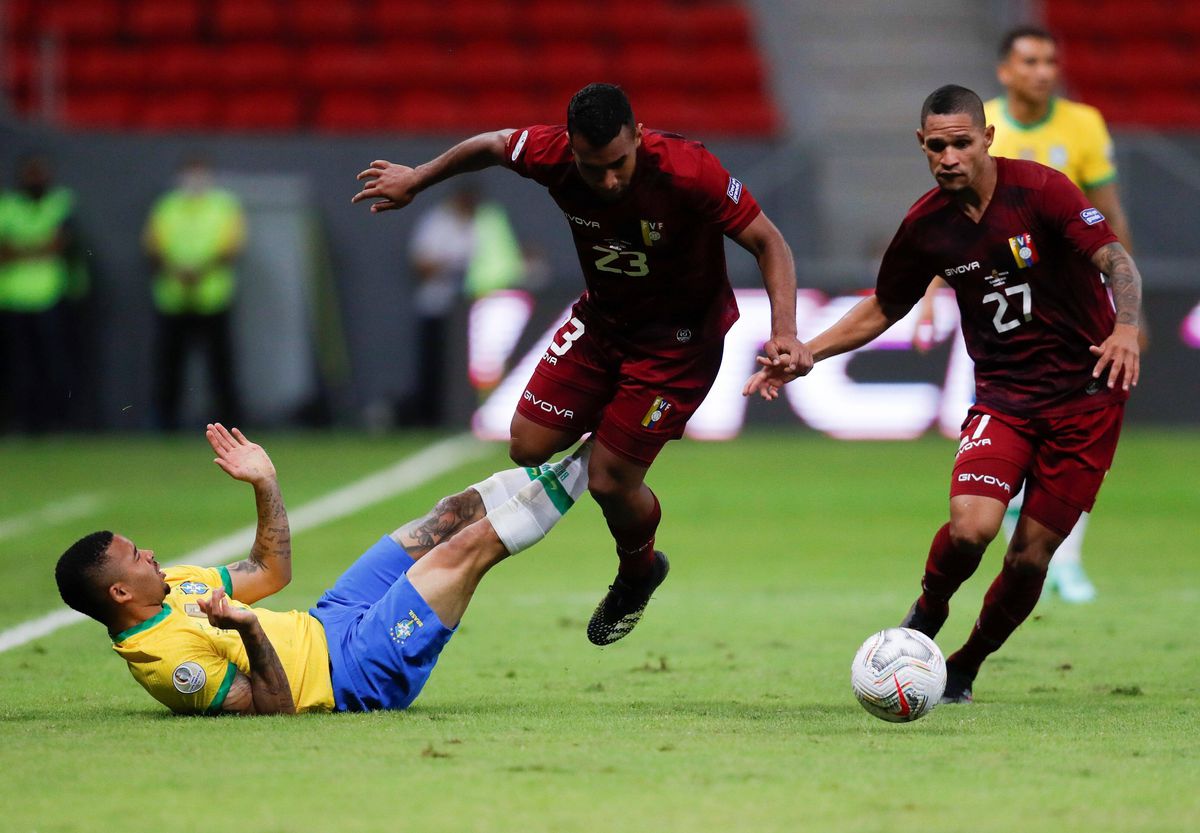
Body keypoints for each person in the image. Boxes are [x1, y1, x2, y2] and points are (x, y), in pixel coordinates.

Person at [352, 83, 804, 646]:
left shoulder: (690, 170)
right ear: (571, 148)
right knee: (527, 445)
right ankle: (617, 431)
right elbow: (493, 144)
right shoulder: (551, 156)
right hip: (602, 324)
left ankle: (639, 572)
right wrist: (419, 178)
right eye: (595, 169)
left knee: (610, 481)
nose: (610, 180)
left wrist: (784, 331)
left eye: (619, 163)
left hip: (676, 345)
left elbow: (769, 242)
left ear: (639, 136)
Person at [745, 85, 1142, 703]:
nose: (949, 156)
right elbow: (883, 306)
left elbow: (1116, 259)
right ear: (922, 146)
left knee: (1031, 557)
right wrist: (807, 353)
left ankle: (966, 665)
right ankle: (927, 615)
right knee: (970, 529)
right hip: (1005, 399)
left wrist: (1126, 326)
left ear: (987, 138)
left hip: (1086, 399)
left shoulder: (1043, 191)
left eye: (961, 142)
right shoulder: (926, 226)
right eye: (937, 146)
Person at [54, 423, 592, 715]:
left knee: (449, 515)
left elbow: (269, 573)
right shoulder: (167, 664)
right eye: (136, 557)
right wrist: (247, 628)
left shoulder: (173, 585)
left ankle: (578, 455)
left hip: (329, 620)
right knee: (464, 550)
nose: (151, 555)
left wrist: (265, 485)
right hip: (354, 674)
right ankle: (604, 456)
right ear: (121, 592)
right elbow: (274, 708)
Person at [911, 25, 1136, 603]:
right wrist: (935, 292)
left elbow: (1108, 217)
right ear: (1005, 71)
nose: (1043, 71)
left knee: (1062, 470)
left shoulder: (1083, 125)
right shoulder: (977, 123)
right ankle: (997, 505)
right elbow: (959, 226)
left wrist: (1127, 313)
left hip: (1072, 311)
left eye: (1051, 61)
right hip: (998, 311)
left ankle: (1065, 557)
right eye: (1030, 61)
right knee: (998, 437)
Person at [404, 185, 525, 425]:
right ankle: (433, 418)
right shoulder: (438, 222)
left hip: (472, 308)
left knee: (474, 368)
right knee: (437, 367)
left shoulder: (484, 222)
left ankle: (470, 414)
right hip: (438, 308)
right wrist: (452, 263)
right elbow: (420, 265)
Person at [144, 156, 246, 431]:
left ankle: (229, 425)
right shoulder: (167, 206)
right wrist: (178, 271)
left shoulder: (224, 205)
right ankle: (165, 424)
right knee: (169, 366)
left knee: (220, 366)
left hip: (213, 297)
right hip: (173, 298)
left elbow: (232, 247)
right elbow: (153, 246)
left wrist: (198, 270)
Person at [0, 154, 79, 433]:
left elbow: (59, 244)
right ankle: (19, 423)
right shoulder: (7, 205)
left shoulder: (59, 202)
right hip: (12, 298)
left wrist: (20, 248)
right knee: (16, 367)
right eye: (30, 173)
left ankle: (56, 423)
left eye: (39, 173)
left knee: (53, 364)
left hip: (49, 296)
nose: (35, 179)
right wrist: (39, 246)